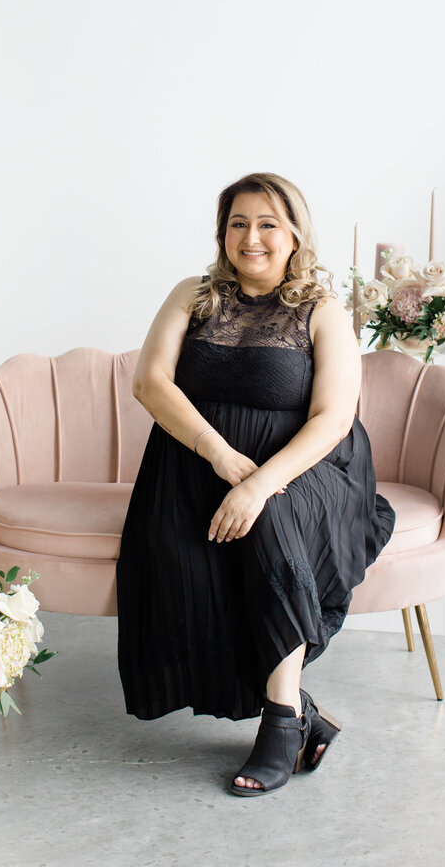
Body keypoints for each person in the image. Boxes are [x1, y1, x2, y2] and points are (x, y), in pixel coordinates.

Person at [116, 172, 396, 796]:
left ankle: (279, 723)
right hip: (197, 462)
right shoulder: (192, 294)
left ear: (294, 234)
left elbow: (332, 420)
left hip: (308, 470)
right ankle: (302, 716)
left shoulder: (321, 312)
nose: (252, 237)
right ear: (222, 234)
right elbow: (150, 383)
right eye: (238, 223)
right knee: (186, 557)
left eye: (268, 223)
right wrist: (221, 458)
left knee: (268, 520)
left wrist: (259, 483)